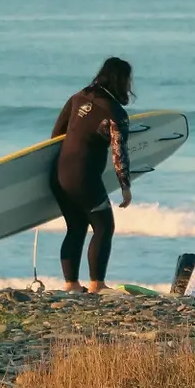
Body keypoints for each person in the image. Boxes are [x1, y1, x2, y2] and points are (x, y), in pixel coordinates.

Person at [48, 57, 132, 294]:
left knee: (76, 227)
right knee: (104, 227)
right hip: (83, 178)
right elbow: (119, 153)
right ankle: (97, 284)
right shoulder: (116, 113)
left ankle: (72, 285)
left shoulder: (78, 98)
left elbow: (56, 136)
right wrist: (125, 186)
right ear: (122, 80)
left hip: (59, 174)